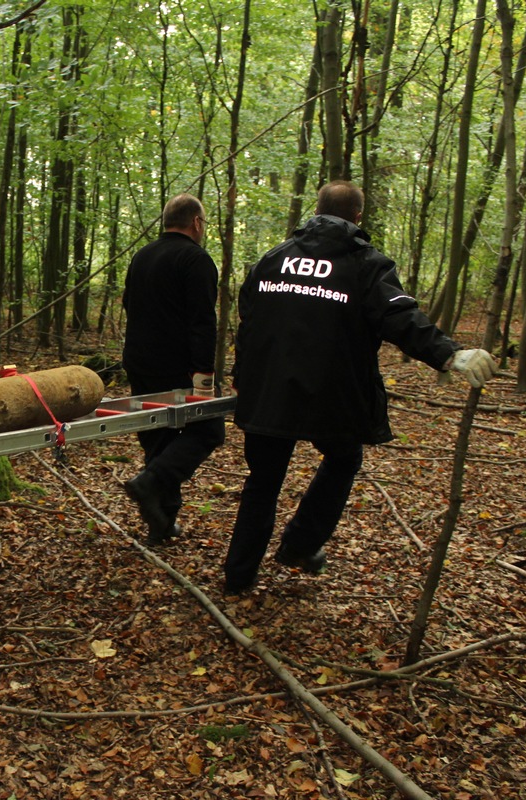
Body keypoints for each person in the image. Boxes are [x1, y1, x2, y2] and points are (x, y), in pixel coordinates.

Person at [223, 180, 496, 593]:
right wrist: (449, 354)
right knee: (343, 458)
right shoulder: (365, 263)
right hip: (328, 398)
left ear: (316, 210)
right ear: (358, 217)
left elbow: (247, 324)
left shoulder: (273, 259)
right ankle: (300, 543)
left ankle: (239, 577)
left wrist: (243, 378)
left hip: (269, 395)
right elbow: (400, 318)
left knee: (264, 481)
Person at [121, 194, 227, 546]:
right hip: (176, 366)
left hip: (138, 360)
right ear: (196, 223)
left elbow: (128, 304)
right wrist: (203, 377)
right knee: (210, 430)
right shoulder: (196, 259)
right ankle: (149, 485)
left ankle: (162, 522)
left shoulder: (142, 256)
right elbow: (202, 322)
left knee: (159, 438)